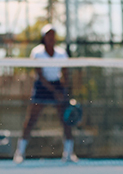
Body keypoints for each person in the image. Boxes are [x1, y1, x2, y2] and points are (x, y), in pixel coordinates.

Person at [14, 25, 78, 164]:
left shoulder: (62, 53)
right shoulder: (37, 52)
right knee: (31, 120)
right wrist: (55, 92)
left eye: (53, 35)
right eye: (48, 35)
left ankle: (69, 153)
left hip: (57, 85)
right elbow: (40, 76)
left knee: (65, 121)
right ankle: (20, 152)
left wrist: (63, 91)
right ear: (44, 37)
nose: (51, 37)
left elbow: (65, 75)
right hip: (41, 86)